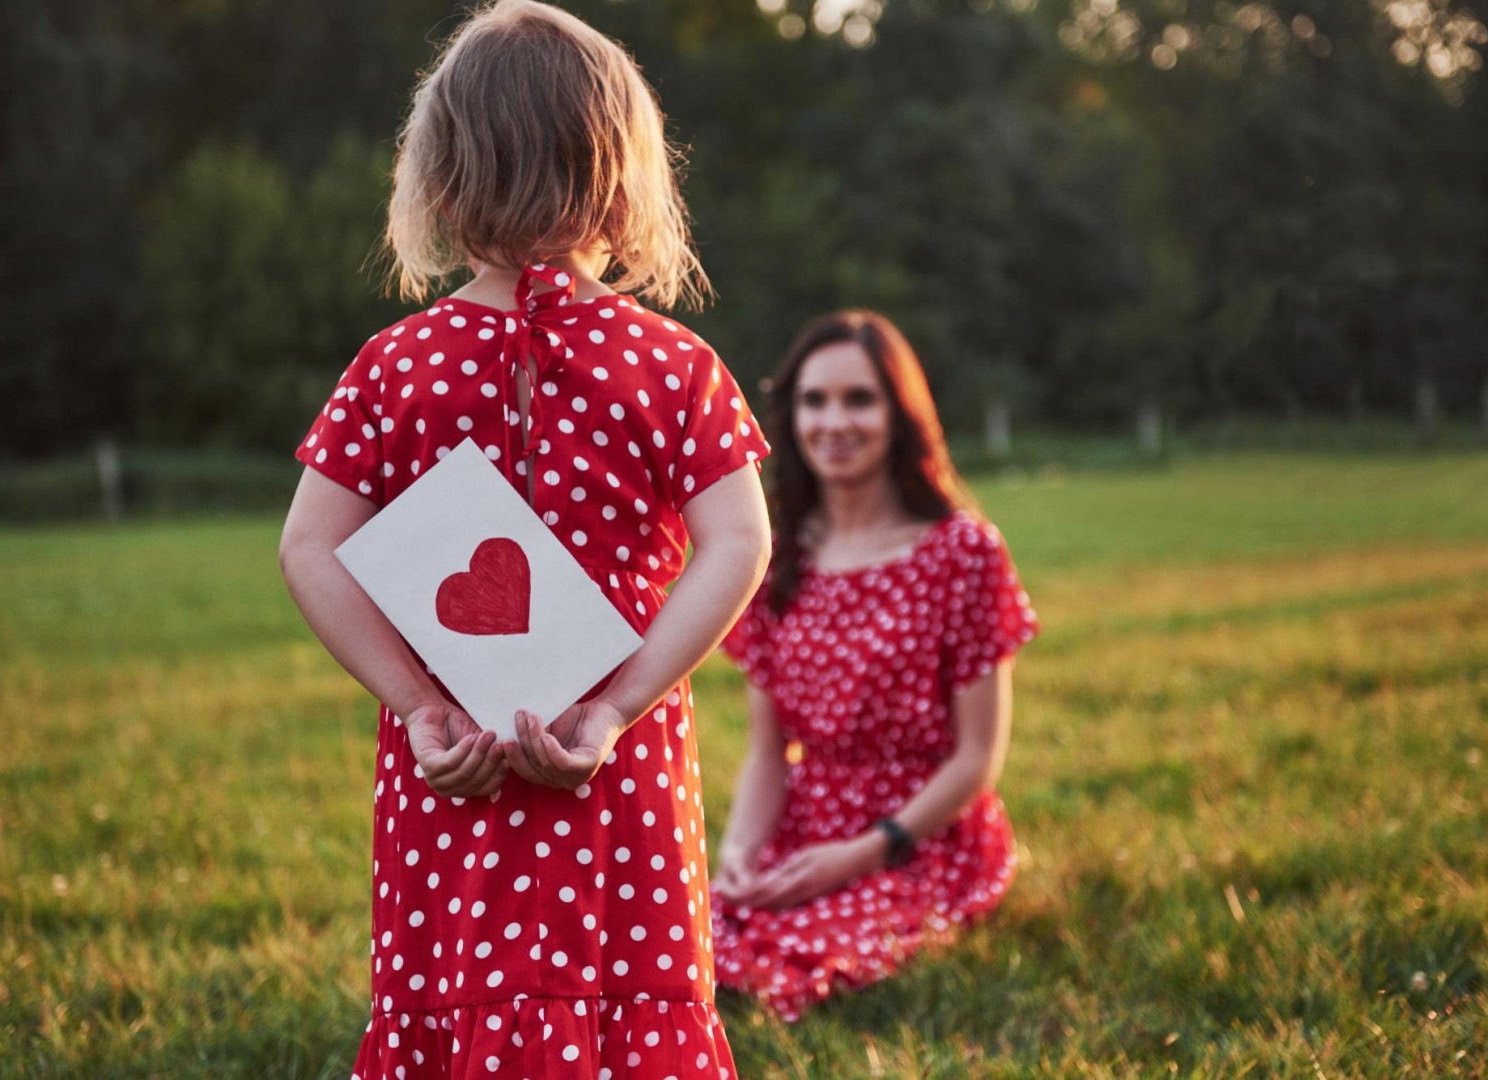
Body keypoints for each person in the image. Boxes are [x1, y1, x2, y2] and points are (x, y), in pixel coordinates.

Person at [277, 3, 771, 1075]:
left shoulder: (394, 363)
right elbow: (739, 544)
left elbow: (307, 549)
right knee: (622, 992)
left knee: (459, 988)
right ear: (623, 176)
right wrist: (616, 705)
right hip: (612, 755)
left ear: (440, 178)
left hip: (452, 754)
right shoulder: (674, 364)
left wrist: (419, 707)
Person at [710, 310, 1038, 1022]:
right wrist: (738, 851)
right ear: (790, 415)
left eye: (859, 398)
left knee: (800, 954)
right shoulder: (777, 559)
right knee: (693, 937)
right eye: (814, 400)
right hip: (804, 825)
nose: (835, 421)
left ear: (901, 412)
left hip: (920, 834)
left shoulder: (963, 552)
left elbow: (978, 757)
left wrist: (864, 853)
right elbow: (769, 750)